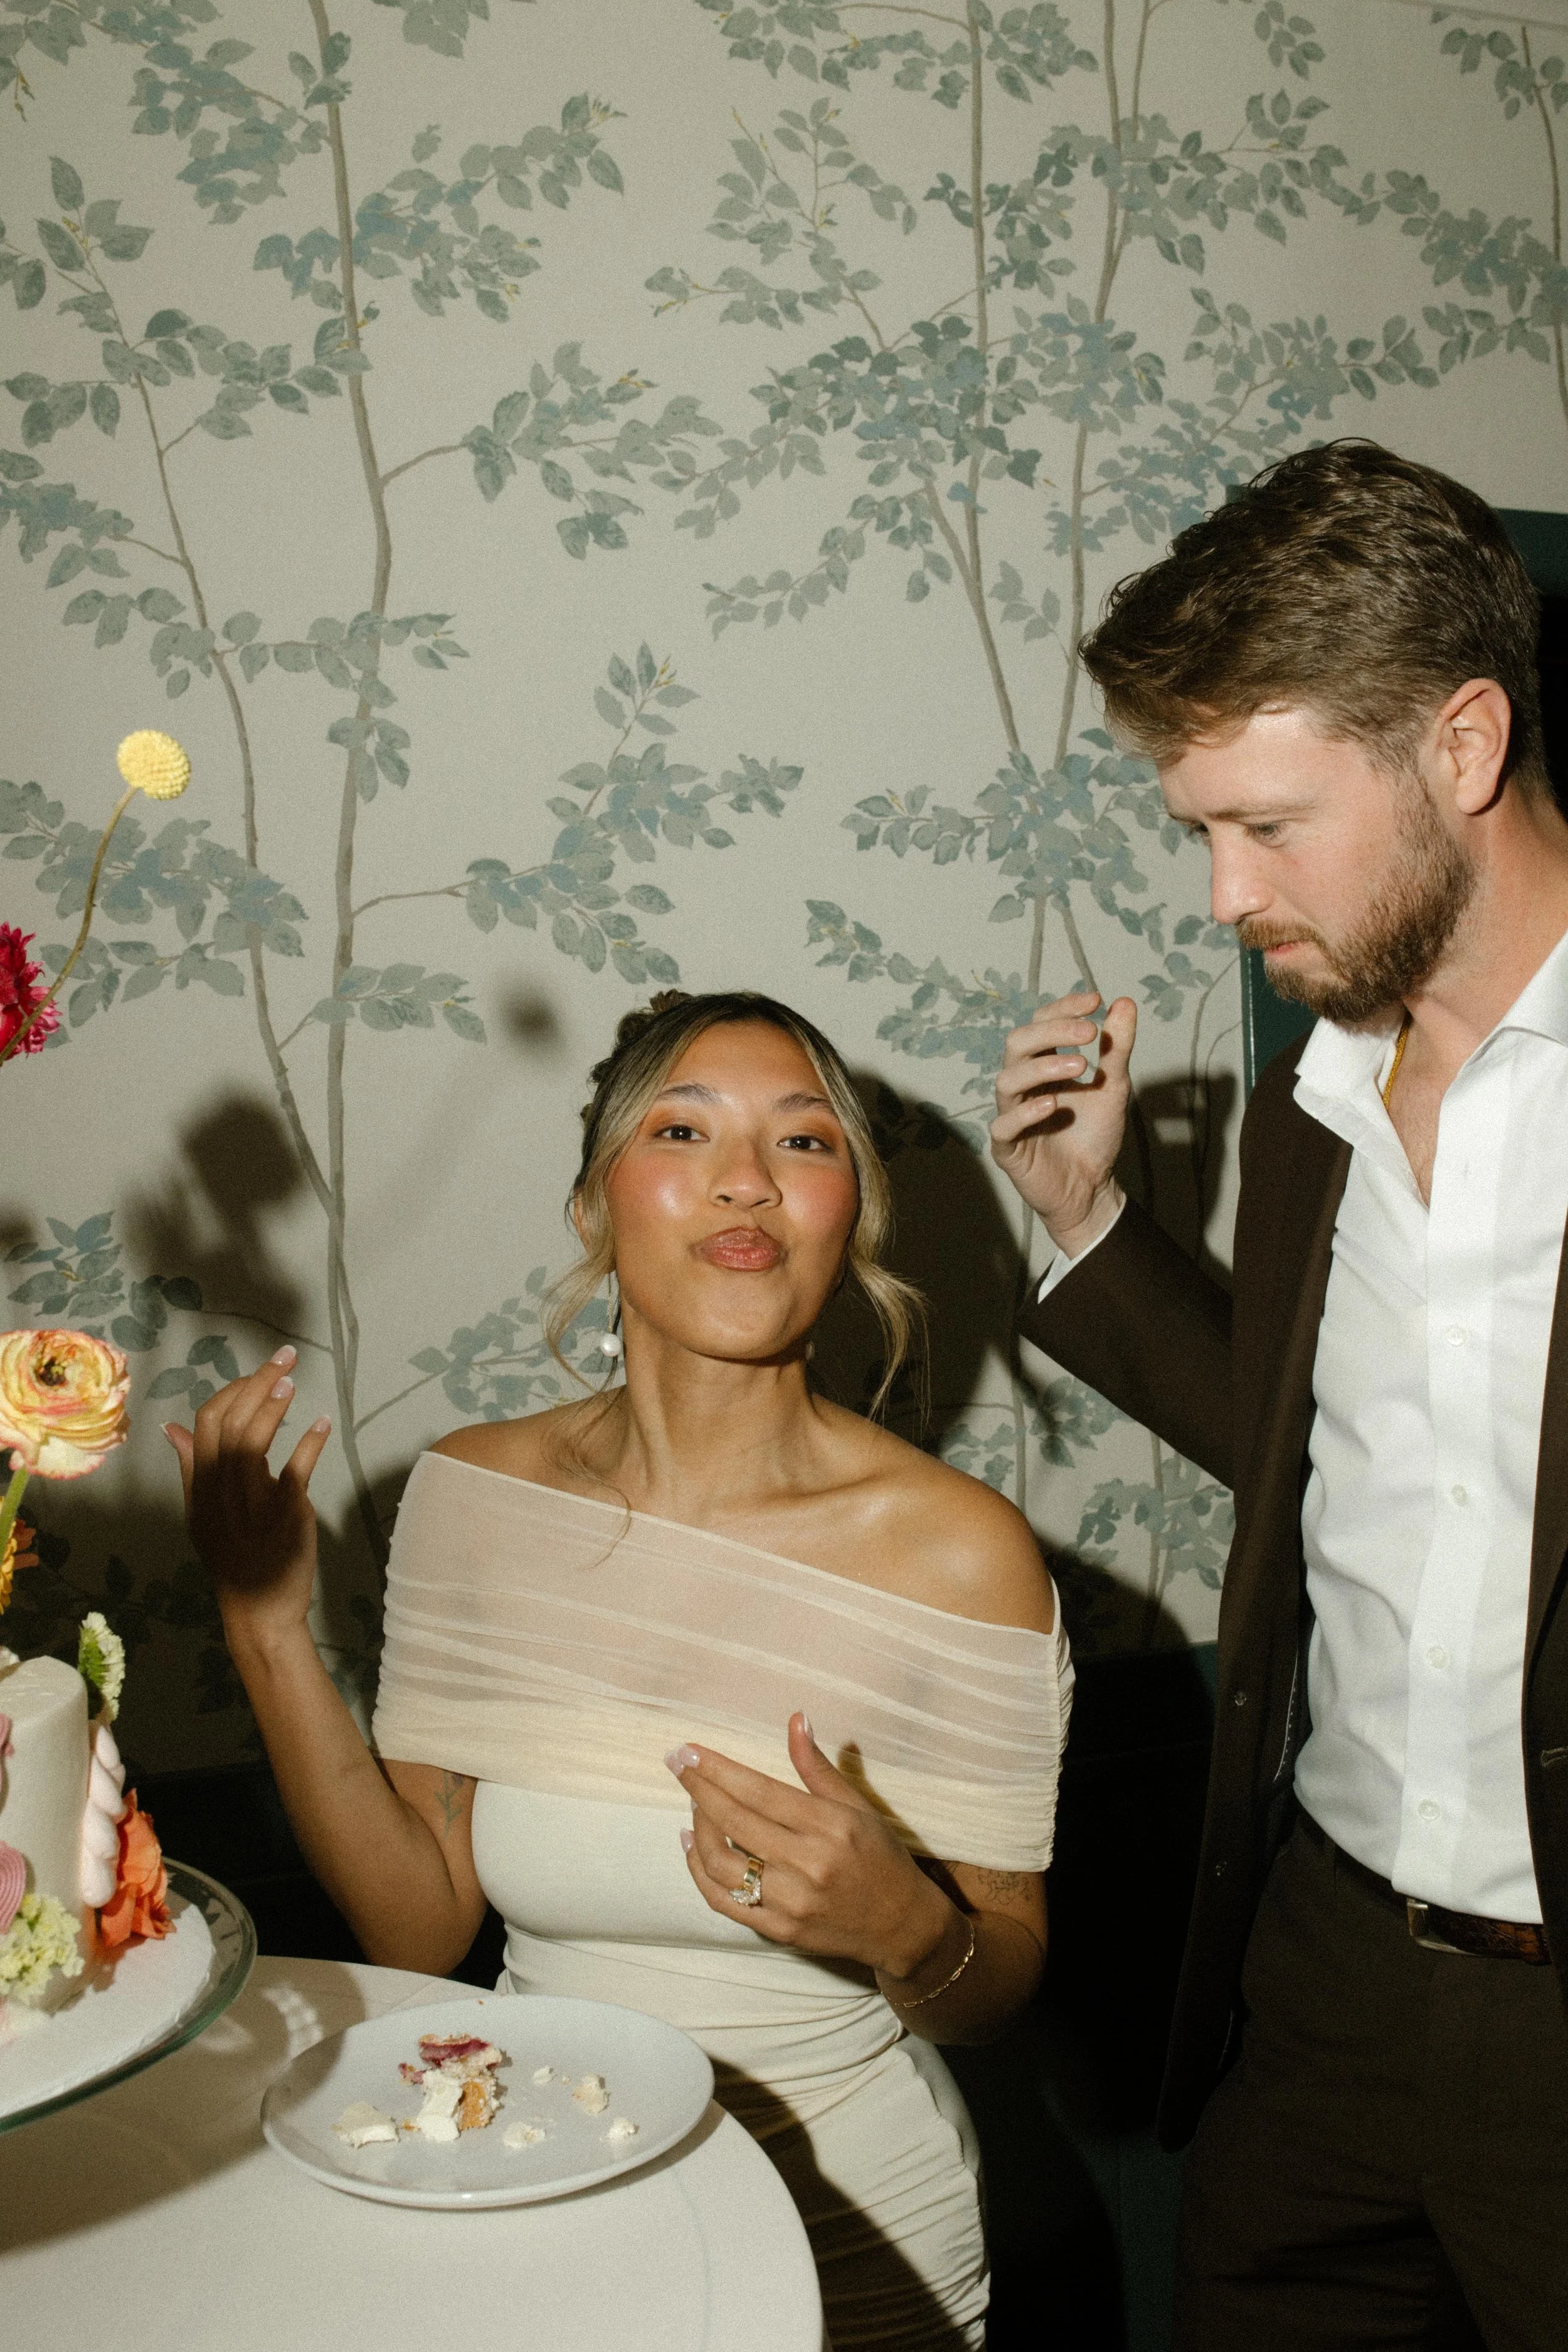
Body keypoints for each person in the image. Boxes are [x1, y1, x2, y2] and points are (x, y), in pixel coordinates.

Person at [167, 988, 1073, 2351]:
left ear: (852, 1218)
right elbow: (418, 1929)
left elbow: (998, 1987)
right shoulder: (474, 1497)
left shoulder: (961, 1553)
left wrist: (906, 1927)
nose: (746, 1179)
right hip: (536, 2202)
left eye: (804, 1141)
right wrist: (263, 1625)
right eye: (683, 1130)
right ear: (595, 1204)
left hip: (856, 2247)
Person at [990, 440, 1568, 2350]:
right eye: (1199, 830)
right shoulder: (1316, 1093)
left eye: (1268, 824)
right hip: (1319, 1979)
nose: (1224, 894)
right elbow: (1337, 1440)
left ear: (1461, 744)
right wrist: (1088, 1225)